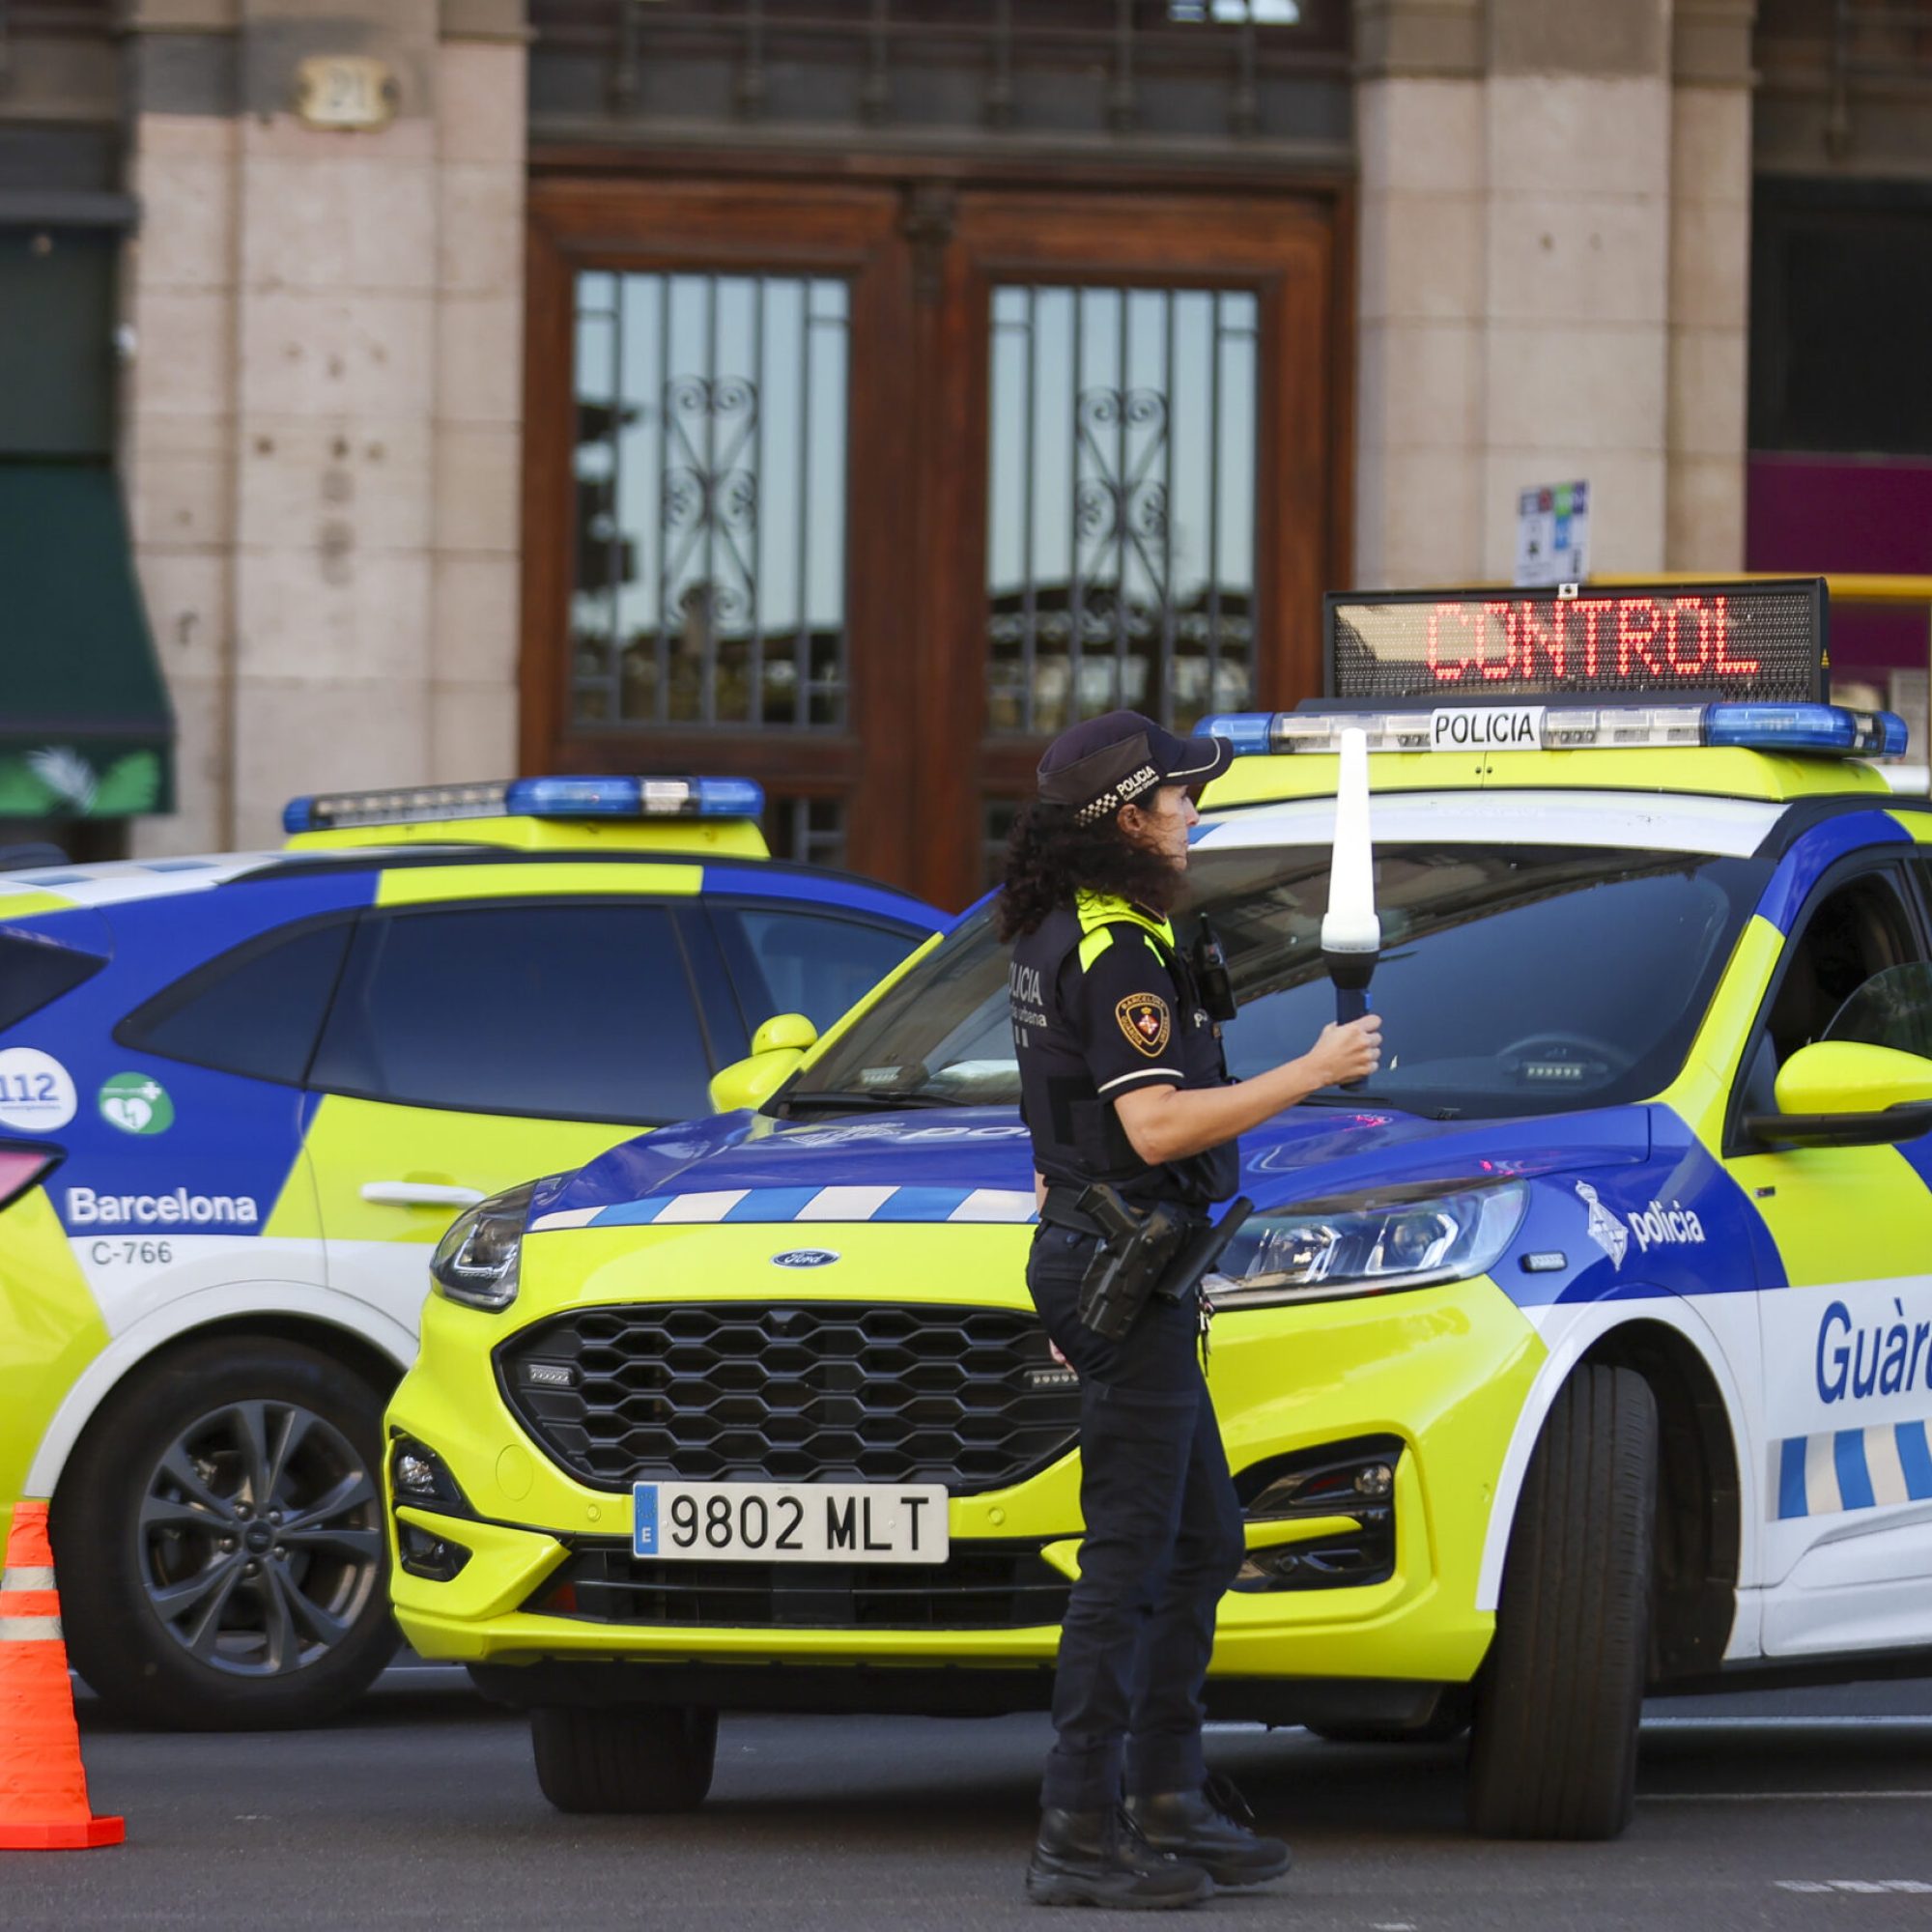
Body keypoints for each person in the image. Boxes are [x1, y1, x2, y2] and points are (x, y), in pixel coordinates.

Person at [997, 709, 1382, 1911]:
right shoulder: (1113, 948)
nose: (1193, 814)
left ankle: (1165, 1793)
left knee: (1203, 1539)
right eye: (1177, 800)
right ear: (1126, 819)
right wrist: (1313, 1071)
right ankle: (1076, 1822)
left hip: (1118, 1256)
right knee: (1126, 1556)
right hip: (1123, 1262)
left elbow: (1063, 1124)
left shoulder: (1080, 927)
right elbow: (1154, 1122)